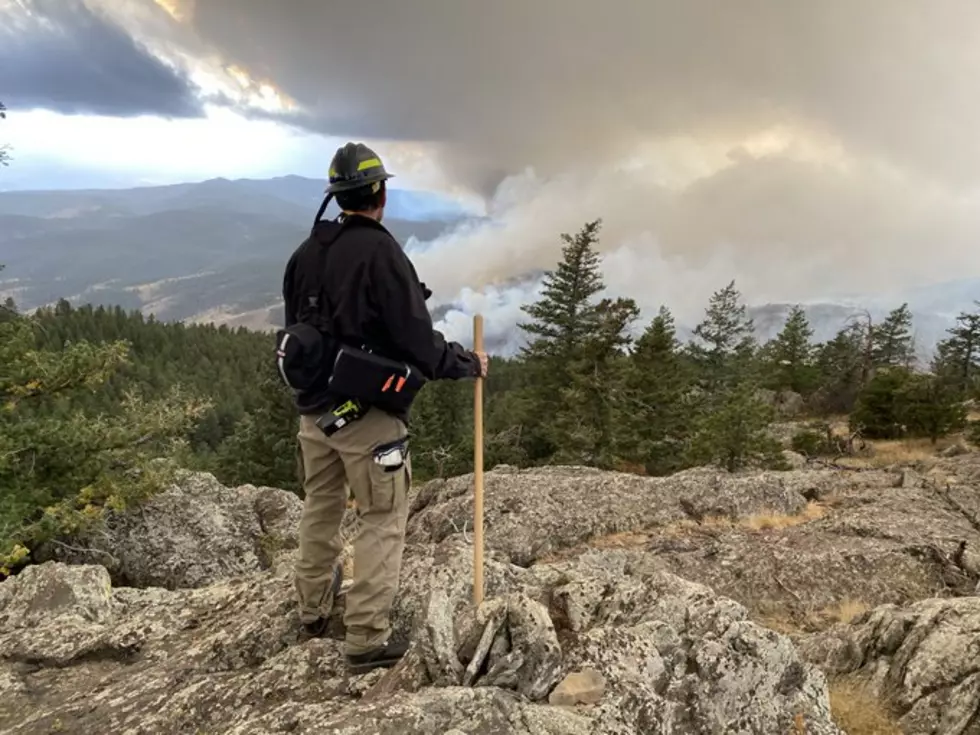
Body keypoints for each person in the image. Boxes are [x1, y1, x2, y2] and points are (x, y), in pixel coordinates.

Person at [280, 142, 488, 674]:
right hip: (368, 415)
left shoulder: (307, 252)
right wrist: (465, 364)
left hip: (314, 413)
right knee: (381, 517)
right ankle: (366, 639)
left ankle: (311, 611)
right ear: (381, 193)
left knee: (319, 507)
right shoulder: (380, 252)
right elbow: (417, 341)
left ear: (336, 195)